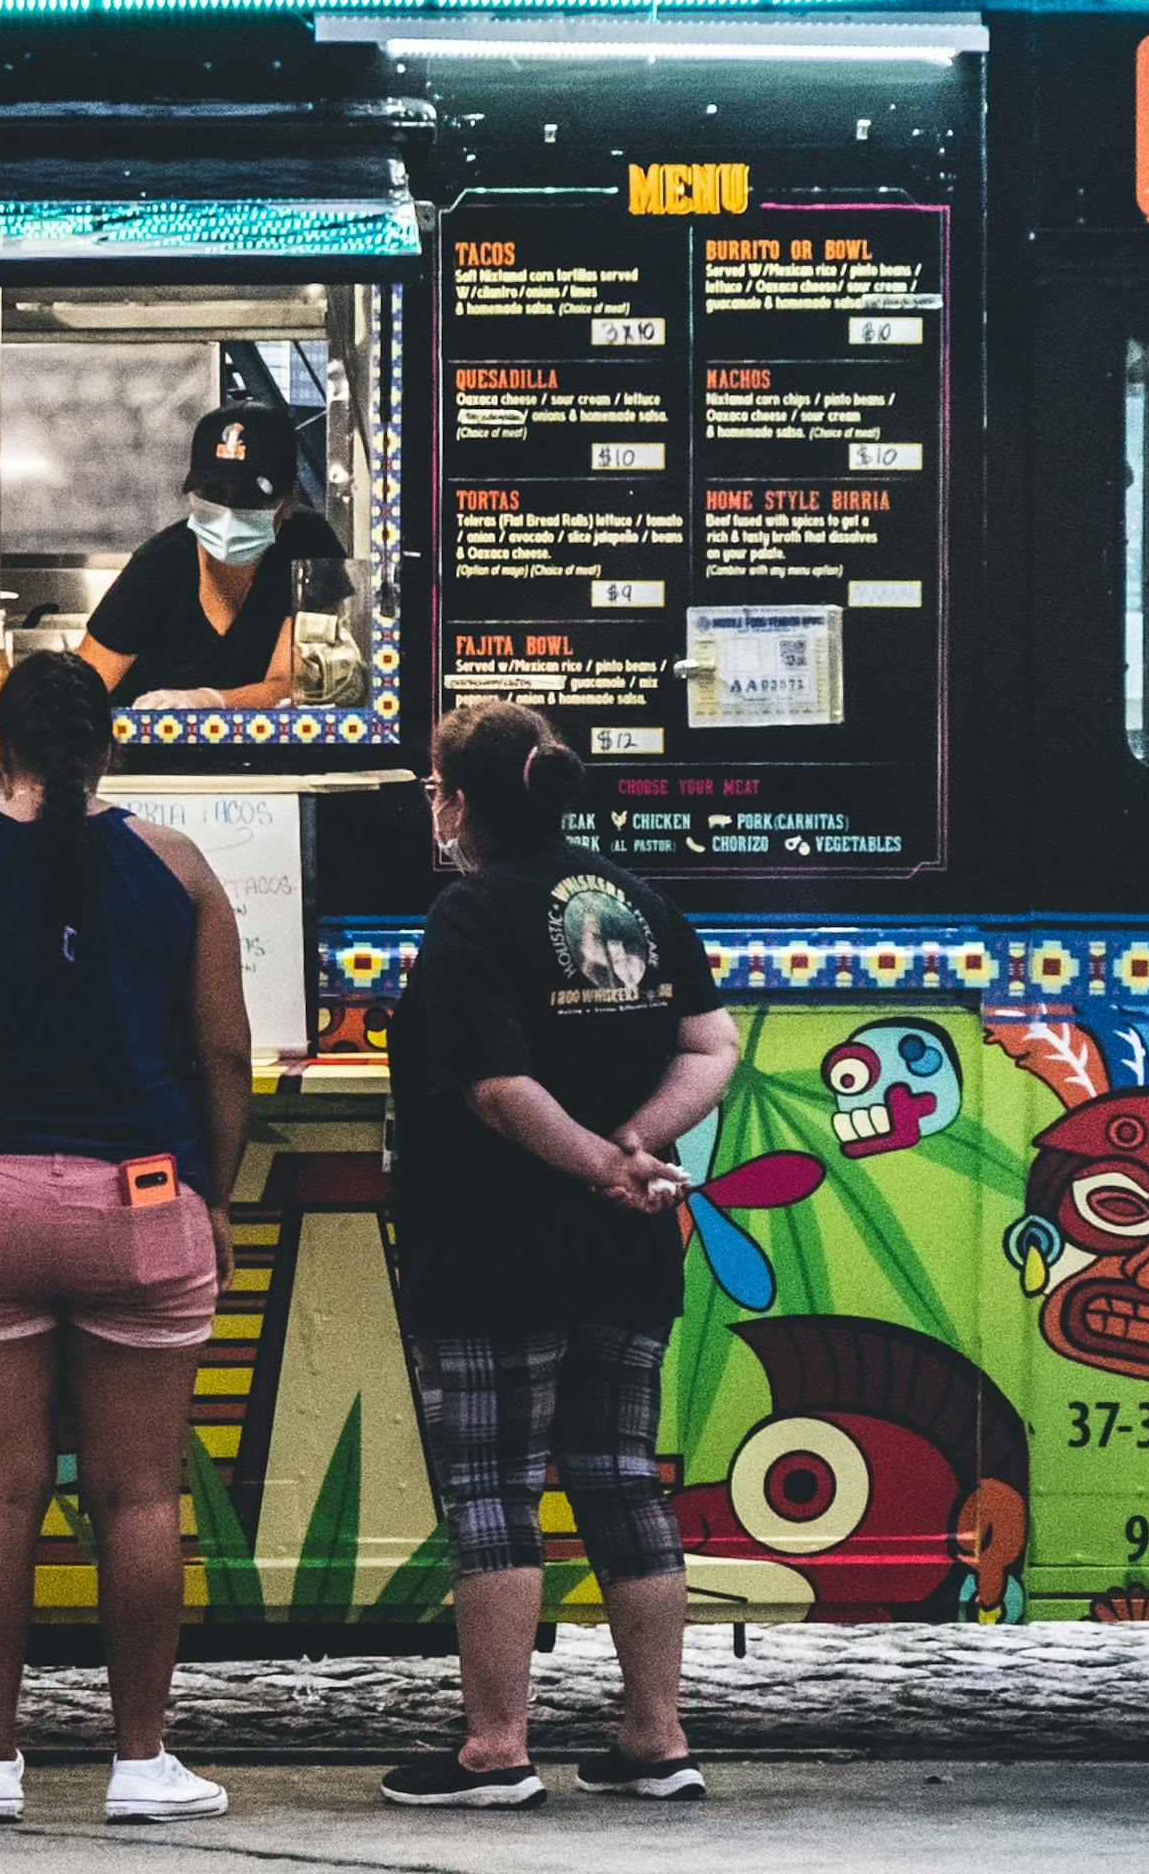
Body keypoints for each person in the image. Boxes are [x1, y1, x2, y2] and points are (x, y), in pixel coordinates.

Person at [0, 651, 249, 1826]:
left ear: (0, 752)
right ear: (110, 748)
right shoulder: (179, 867)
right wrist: (215, 1195)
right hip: (143, 1203)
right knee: (139, 1497)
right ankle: (141, 1761)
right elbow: (227, 1055)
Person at [380, 700, 742, 1809]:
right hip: (626, 1245)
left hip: (497, 1246)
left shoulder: (471, 914)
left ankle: (494, 1745)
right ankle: (655, 1734)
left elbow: (496, 1088)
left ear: (457, 799)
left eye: (438, 790)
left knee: (493, 1485)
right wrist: (636, 1149)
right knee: (621, 1477)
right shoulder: (635, 899)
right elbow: (710, 1040)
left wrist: (593, 1155)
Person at [79, 402, 352, 709]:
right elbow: (79, 689)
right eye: (213, 494)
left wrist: (208, 700)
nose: (228, 512)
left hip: (267, 747)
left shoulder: (309, 547)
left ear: (288, 501)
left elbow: (292, 684)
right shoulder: (157, 566)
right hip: (153, 749)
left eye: (249, 499)